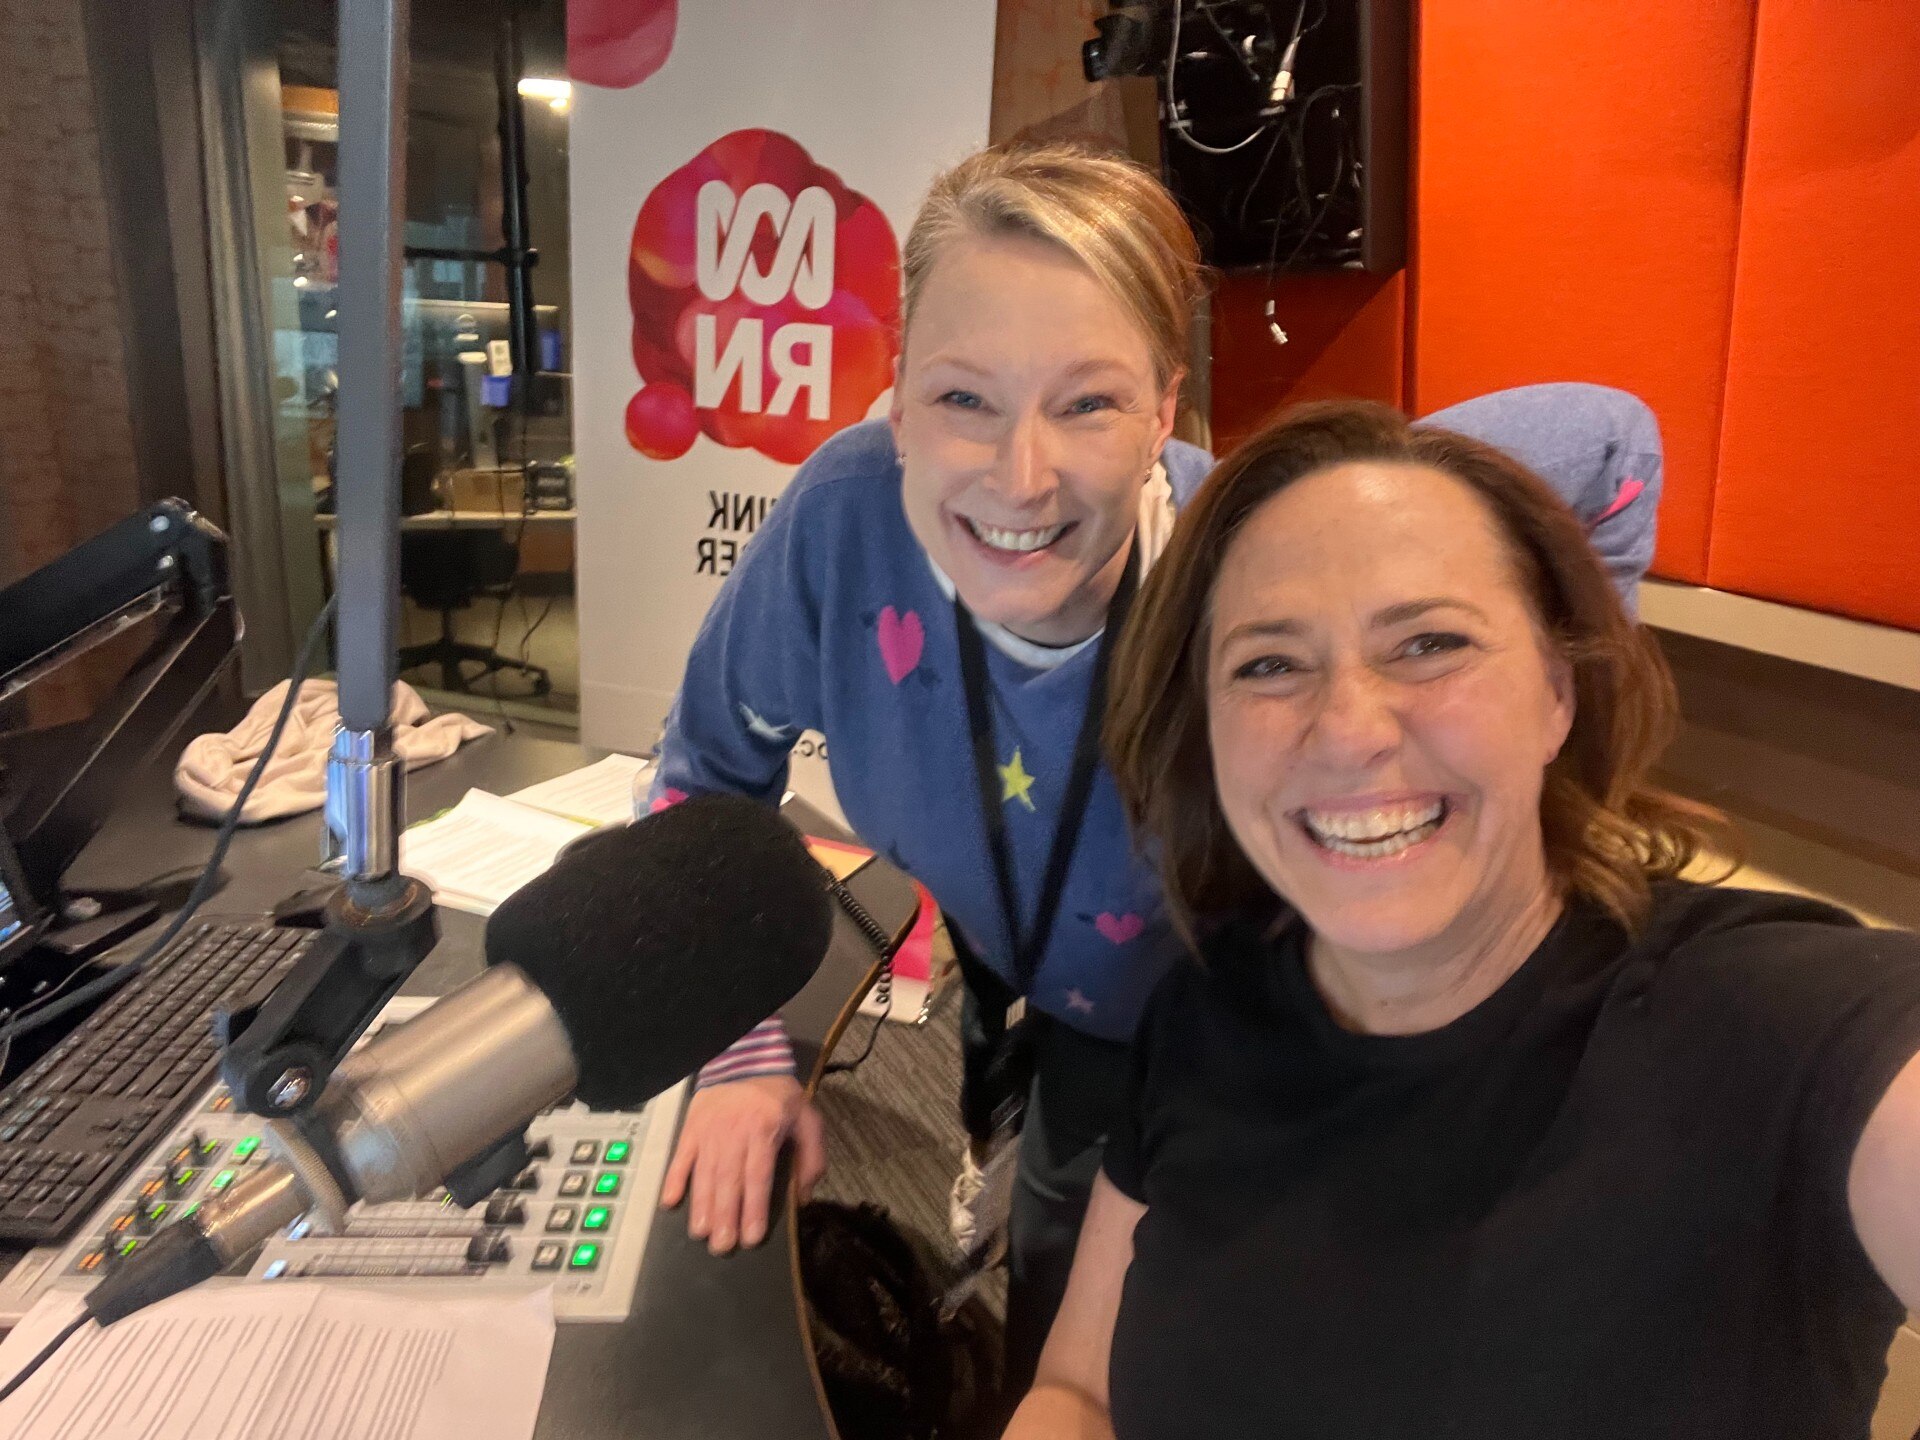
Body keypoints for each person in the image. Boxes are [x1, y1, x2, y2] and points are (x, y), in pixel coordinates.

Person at [647, 141, 1665, 1397]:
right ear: (898, 397)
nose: (1021, 476)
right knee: (1053, 1363)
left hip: (1265, 1058)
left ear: (1163, 411)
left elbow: (1612, 447)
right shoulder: (846, 522)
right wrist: (741, 1055)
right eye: (964, 398)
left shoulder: (1249, 555)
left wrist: (1549, 761)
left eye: (1088, 403)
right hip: (1058, 1029)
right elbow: (701, 784)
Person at [1008, 400, 1920, 1438]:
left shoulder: (1776, 1024)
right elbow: (1078, 1390)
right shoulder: (1204, 1010)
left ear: (1557, 693)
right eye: (1269, 663)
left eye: (1429, 643)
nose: (1349, 730)